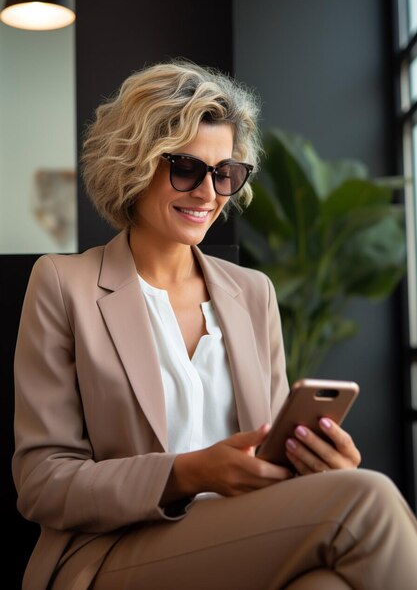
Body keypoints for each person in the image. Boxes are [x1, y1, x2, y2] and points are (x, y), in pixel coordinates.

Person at [12, 59, 417, 590]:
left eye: (224, 172)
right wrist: (187, 473)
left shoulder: (253, 294)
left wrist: (319, 466)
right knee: (367, 499)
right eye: (185, 168)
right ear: (135, 164)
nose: (208, 192)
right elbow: (42, 483)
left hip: (245, 537)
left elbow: (269, 448)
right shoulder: (64, 284)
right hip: (115, 550)